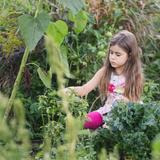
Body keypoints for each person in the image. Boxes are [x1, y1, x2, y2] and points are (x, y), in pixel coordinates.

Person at [65, 30, 144, 130]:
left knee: (109, 130)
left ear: (129, 56)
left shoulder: (133, 75)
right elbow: (84, 89)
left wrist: (113, 120)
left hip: (126, 114)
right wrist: (68, 90)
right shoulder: (104, 72)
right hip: (106, 111)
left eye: (118, 54)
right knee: (81, 122)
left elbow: (130, 102)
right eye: (111, 53)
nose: (112, 57)